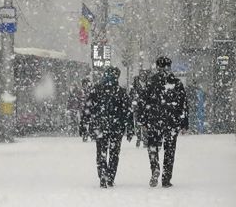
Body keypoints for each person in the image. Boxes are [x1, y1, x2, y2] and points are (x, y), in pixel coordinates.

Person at [136, 56, 188, 188]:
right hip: (172, 121)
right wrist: (184, 122)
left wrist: (142, 120)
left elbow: (142, 102)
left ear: (157, 67)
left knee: (152, 146)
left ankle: (155, 168)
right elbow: (183, 104)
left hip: (154, 120)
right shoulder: (176, 83)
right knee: (170, 149)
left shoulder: (151, 83)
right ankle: (166, 178)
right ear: (169, 67)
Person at [79, 66, 134, 188]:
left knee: (101, 151)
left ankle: (102, 174)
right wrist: (130, 128)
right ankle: (110, 176)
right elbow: (128, 112)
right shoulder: (120, 92)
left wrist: (83, 124)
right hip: (116, 127)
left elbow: (87, 108)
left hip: (100, 126)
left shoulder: (96, 90)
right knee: (114, 153)